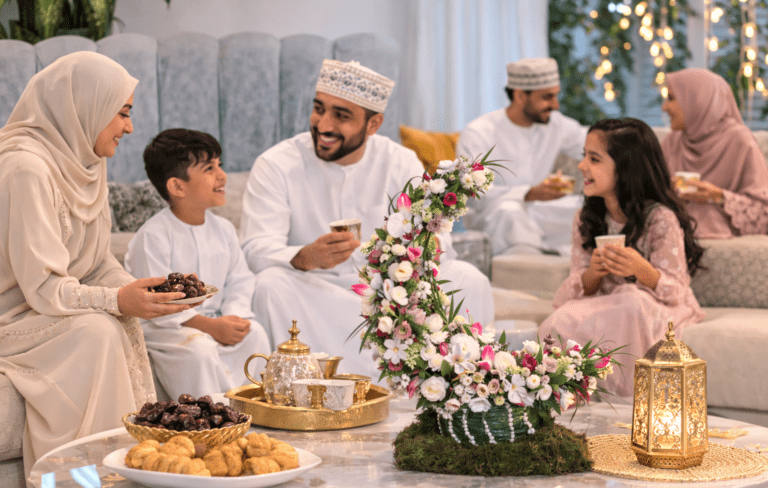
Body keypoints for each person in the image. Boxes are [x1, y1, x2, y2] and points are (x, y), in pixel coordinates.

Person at [0, 52, 192, 488]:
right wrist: (117, 301)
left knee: (108, 324)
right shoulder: (24, 168)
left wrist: (142, 289)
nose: (128, 127)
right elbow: (44, 287)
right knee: (97, 330)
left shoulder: (83, 156)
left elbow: (95, 259)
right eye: (122, 112)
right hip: (16, 317)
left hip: (52, 310)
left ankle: (115, 480)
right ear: (82, 104)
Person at [241, 59, 494, 377]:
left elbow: (437, 239)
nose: (324, 125)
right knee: (270, 285)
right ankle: (307, 388)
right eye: (319, 109)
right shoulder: (276, 164)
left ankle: (445, 387)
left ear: (373, 124)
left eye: (341, 116)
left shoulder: (400, 161)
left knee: (469, 279)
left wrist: (396, 261)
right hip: (313, 287)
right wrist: (304, 256)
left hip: (390, 291)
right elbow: (254, 248)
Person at [538, 118, 705, 397]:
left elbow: (677, 291)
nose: (582, 166)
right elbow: (575, 290)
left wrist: (641, 269)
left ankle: (630, 406)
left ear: (626, 167)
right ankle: (569, 405)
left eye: (594, 159)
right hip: (607, 303)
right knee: (557, 322)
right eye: (584, 156)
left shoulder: (660, 218)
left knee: (631, 298)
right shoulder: (586, 217)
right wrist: (593, 273)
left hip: (654, 306)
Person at [125, 129, 270, 399]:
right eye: (209, 168)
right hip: (168, 331)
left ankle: (257, 414)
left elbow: (240, 280)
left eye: (220, 165)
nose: (222, 175)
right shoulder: (153, 236)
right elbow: (159, 304)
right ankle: (209, 421)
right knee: (198, 350)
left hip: (218, 321)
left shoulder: (224, 229)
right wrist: (209, 326)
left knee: (255, 334)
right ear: (177, 186)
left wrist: (234, 316)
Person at [457, 57, 588, 256]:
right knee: (510, 212)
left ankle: (555, 256)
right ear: (519, 96)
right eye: (547, 97)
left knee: (588, 210)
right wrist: (530, 193)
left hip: (538, 210)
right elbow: (477, 195)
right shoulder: (479, 132)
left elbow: (593, 144)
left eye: (555, 96)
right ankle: (532, 269)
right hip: (494, 214)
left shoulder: (556, 125)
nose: (555, 104)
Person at [660, 68, 768, 238]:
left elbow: (763, 212)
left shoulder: (739, 141)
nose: (664, 107)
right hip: (671, 231)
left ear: (698, 100)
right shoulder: (672, 142)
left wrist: (718, 196)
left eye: (671, 98)